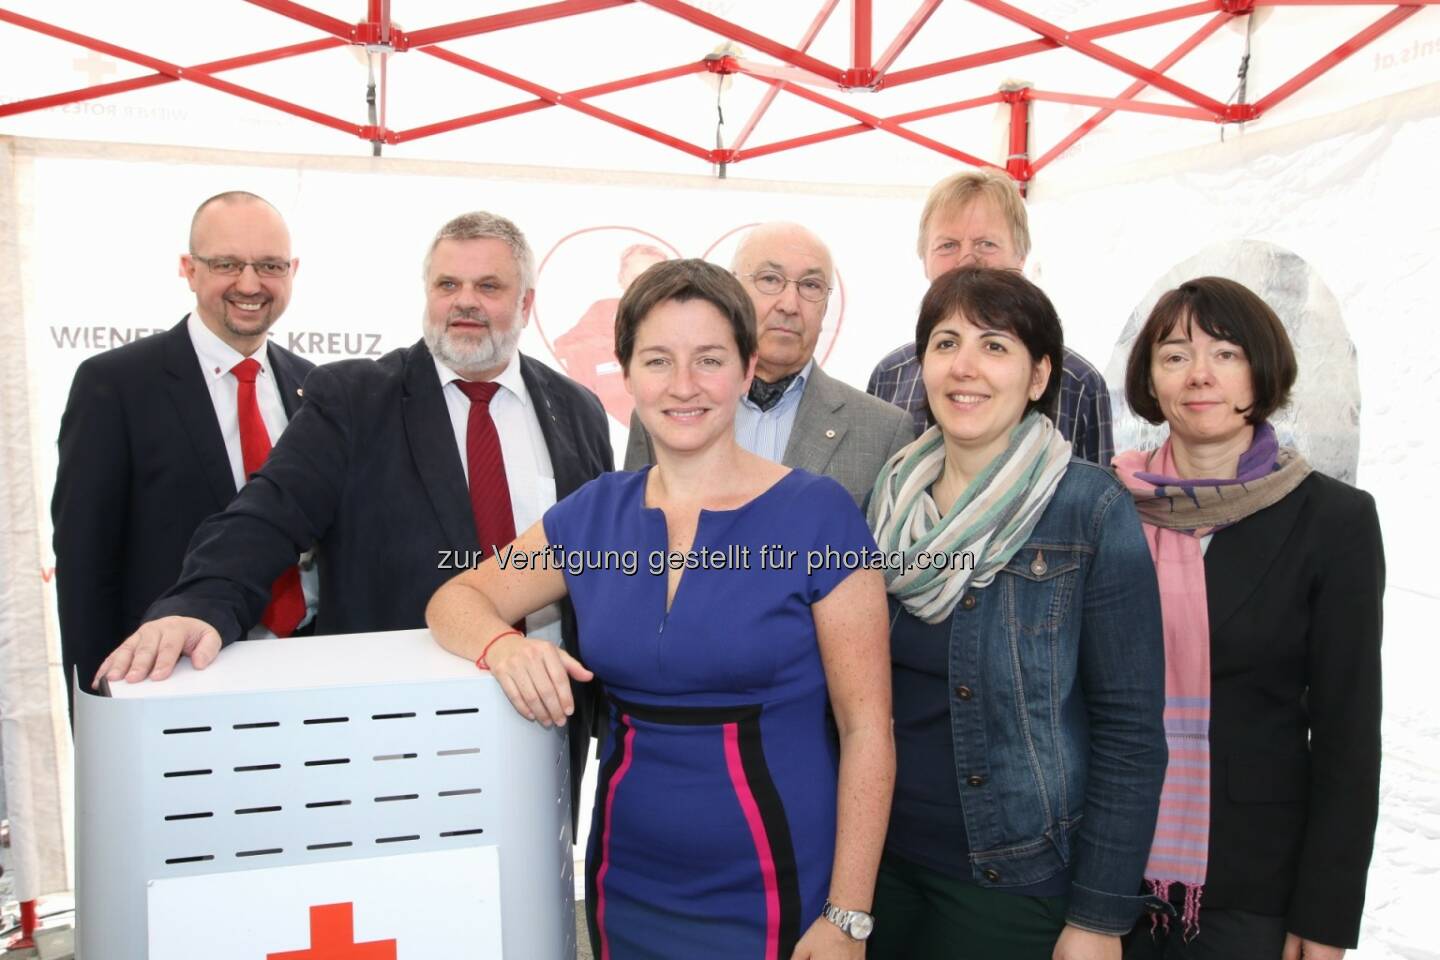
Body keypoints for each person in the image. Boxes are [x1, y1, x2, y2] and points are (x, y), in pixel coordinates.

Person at [429, 259, 895, 959]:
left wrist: (849, 915)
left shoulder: (817, 516)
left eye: (709, 360)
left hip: (778, 885)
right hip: (627, 883)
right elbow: (455, 598)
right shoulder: (593, 516)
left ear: (745, 370)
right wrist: (507, 648)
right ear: (627, 373)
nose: (683, 386)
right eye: (658, 360)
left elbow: (868, 730)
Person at [92, 211, 612, 818]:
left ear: (525, 302)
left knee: (535, 901)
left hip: (549, 717)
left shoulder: (577, 409)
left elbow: (598, 557)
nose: (464, 303)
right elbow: (266, 514)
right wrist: (196, 604)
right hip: (400, 734)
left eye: (488, 287)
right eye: (447, 285)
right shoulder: (357, 400)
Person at [865, 266, 1167, 960]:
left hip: (1011, 877)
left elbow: (1130, 733)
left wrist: (1098, 917)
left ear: (1038, 377)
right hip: (876, 864)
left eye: (995, 346)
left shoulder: (1088, 509)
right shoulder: (885, 500)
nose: (964, 367)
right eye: (945, 343)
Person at [1114, 277, 1384, 960]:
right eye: (1174, 354)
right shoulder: (1105, 505)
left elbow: (1349, 736)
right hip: (1102, 869)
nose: (1199, 374)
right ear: (1150, 378)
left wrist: (1325, 917)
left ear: (1262, 371)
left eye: (1226, 353)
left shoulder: (1333, 521)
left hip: (1252, 887)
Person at [51, 191, 314, 713]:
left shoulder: (318, 388)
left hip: (308, 673)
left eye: (269, 265)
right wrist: (99, 712)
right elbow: (85, 567)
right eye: (226, 264)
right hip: (171, 683)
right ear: (189, 269)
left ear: (292, 271)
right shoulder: (115, 385)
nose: (249, 283)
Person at [625, 222, 914, 505]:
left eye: (811, 285)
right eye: (770, 279)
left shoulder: (883, 430)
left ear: (825, 307)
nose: (789, 304)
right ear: (732, 290)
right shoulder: (671, 410)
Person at [867, 169, 1114, 465]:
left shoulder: (1078, 384)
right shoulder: (889, 376)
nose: (967, 259)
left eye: (986, 244)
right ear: (924, 260)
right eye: (948, 245)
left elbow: (1096, 502)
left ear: (1020, 258)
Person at [554, 242, 669, 423]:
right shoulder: (600, 313)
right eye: (636, 277)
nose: (645, 285)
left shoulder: (684, 324)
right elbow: (563, 350)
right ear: (621, 279)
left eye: (655, 277)